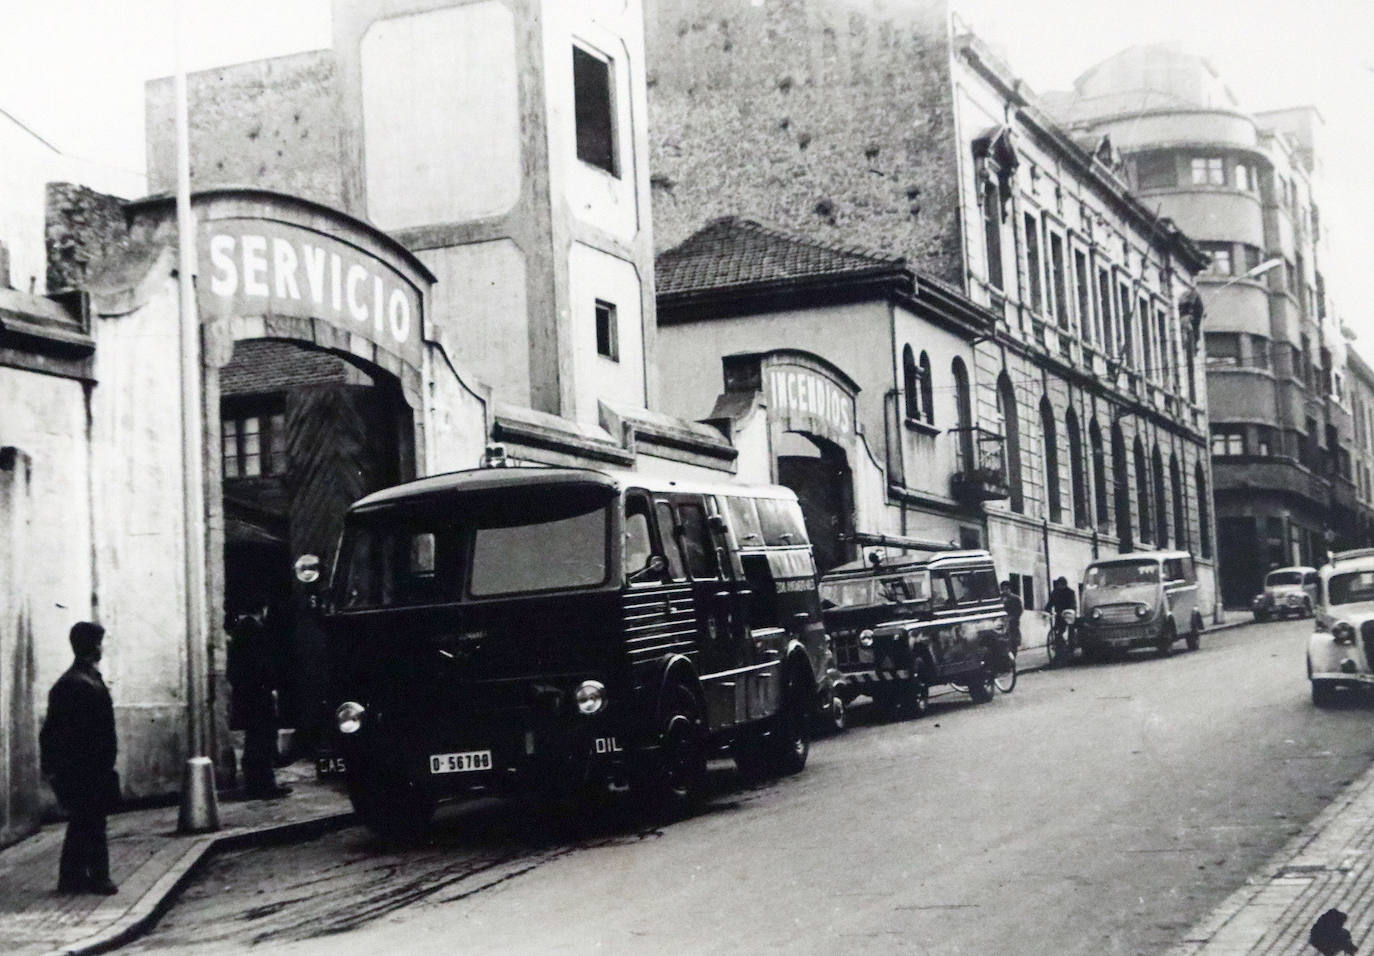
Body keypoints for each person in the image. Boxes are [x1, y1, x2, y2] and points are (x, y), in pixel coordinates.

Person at [40, 621, 119, 895]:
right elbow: (66, 733)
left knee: (83, 822)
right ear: (91, 646)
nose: (101, 647)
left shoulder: (77, 679)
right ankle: (98, 877)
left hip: (86, 768)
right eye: (99, 642)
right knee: (92, 823)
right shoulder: (79, 683)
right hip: (86, 769)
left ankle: (72, 877)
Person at [227, 600, 291, 799]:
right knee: (262, 740)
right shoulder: (254, 630)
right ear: (262, 609)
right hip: (258, 695)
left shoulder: (240, 630)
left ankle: (256, 784)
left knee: (255, 740)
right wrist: (271, 686)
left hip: (247, 695)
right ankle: (264, 786)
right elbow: (262, 665)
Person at [999, 580, 1023, 651]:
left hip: (1013, 623)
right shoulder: (999, 598)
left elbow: (1019, 611)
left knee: (1013, 642)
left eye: (1006, 589)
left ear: (1010, 589)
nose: (1004, 591)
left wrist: (1011, 618)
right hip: (1001, 623)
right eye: (1003, 589)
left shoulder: (1015, 598)